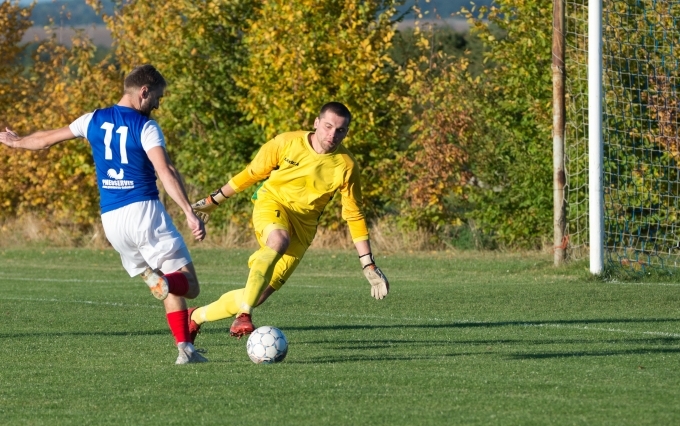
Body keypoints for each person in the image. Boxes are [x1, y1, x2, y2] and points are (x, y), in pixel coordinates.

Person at [0, 64, 208, 365]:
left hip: (112, 220)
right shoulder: (146, 127)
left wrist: (17, 142)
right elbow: (165, 171)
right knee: (188, 283)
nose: (158, 105)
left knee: (166, 277)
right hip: (143, 212)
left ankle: (184, 350)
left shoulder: (92, 119)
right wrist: (189, 212)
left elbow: (46, 139)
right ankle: (164, 291)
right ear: (143, 92)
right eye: (157, 98)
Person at [188, 101, 389, 342]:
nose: (332, 135)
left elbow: (353, 215)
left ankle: (195, 316)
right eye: (327, 126)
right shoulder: (286, 142)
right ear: (316, 123)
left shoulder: (346, 166)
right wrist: (215, 199)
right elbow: (252, 173)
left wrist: (368, 264)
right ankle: (244, 314)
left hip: (303, 229)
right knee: (278, 240)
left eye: (340, 130)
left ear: (347, 132)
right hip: (272, 203)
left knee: (257, 295)